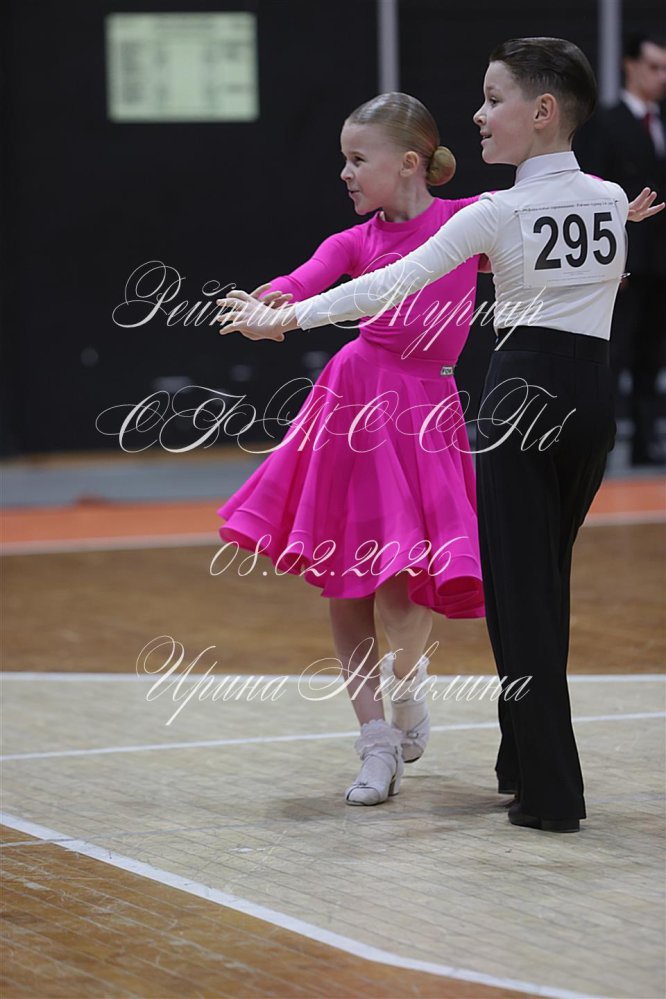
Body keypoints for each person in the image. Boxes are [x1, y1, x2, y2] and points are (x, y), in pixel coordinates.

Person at [217, 37, 663, 832]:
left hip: (520, 396)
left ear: (543, 110)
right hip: (594, 401)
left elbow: (389, 284)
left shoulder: (495, 210)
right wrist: (286, 299)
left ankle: (549, 790)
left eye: (493, 99)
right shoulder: (602, 198)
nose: (479, 115)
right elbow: (597, 268)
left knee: (522, 600)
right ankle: (517, 762)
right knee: (543, 587)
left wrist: (288, 317)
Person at [216, 92, 492, 806]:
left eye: (357, 159)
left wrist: (604, 225)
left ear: (408, 164)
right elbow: (302, 281)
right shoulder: (353, 242)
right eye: (344, 158)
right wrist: (269, 301)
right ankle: (374, 740)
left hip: (425, 411)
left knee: (405, 582)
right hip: (353, 404)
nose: (345, 172)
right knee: (347, 575)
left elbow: (539, 238)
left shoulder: (467, 222)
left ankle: (408, 684)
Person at [576, 32, 666, 465]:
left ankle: (647, 442)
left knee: (652, 353)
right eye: (654, 67)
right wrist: (613, 261)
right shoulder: (606, 124)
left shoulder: (660, 121)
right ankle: (601, 444)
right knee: (615, 352)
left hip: (661, 262)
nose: (661, 77)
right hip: (627, 261)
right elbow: (594, 193)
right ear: (630, 66)